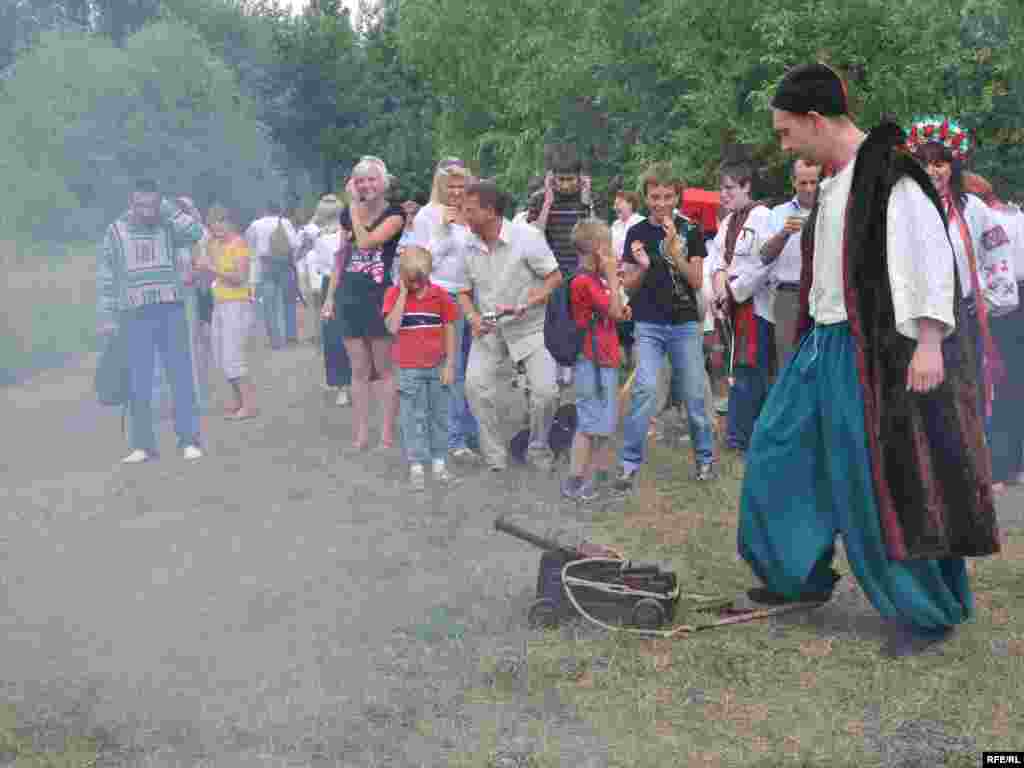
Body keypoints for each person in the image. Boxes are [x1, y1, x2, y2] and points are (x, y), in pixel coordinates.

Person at [739, 63, 999, 658]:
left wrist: (930, 341)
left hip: (875, 352)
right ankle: (793, 579)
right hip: (822, 344)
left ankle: (924, 613)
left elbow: (929, 257)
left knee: (878, 483)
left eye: (785, 132)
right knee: (777, 449)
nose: (783, 144)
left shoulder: (890, 175)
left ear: (812, 119)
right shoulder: (837, 179)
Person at [906, 116, 1018, 434]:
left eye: (940, 163)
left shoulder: (973, 209)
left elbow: (997, 253)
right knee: (923, 397)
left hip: (962, 317)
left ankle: (971, 470)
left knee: (965, 395)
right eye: (925, 163)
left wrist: (988, 299)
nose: (933, 171)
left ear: (953, 166)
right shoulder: (905, 208)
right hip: (914, 317)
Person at [614, 163, 715, 492]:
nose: (661, 203)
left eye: (667, 196)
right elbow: (628, 286)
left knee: (695, 393)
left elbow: (697, 280)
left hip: (684, 324)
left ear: (677, 196)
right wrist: (642, 267)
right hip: (649, 324)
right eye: (654, 196)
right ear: (645, 197)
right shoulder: (636, 232)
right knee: (644, 389)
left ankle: (704, 458)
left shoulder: (691, 230)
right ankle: (629, 463)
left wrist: (675, 252)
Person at [96, 178, 204, 464]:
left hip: (170, 308)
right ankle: (143, 445)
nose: (147, 211)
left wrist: (168, 209)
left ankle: (189, 440)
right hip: (133, 313)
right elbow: (106, 275)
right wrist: (107, 316)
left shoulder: (169, 224)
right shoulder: (115, 231)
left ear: (159, 203)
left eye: (152, 205)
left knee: (180, 376)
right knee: (138, 380)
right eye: (141, 205)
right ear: (131, 203)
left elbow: (196, 233)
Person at [459, 180, 563, 472]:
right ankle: (494, 456)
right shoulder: (465, 243)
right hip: (489, 329)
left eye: (470, 210)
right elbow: (463, 291)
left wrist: (532, 300)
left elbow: (554, 278)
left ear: (490, 211)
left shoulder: (527, 237)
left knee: (546, 392)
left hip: (529, 326)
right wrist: (473, 318)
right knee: (475, 386)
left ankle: (538, 449)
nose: (464, 216)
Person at [321, 156, 406, 451]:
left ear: (383, 182)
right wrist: (331, 296)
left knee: (384, 369)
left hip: (380, 298)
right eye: (360, 180)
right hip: (350, 296)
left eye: (371, 179)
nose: (366, 185)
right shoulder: (348, 214)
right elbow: (342, 256)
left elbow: (369, 242)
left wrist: (354, 209)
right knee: (357, 370)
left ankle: (386, 434)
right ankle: (360, 434)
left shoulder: (395, 214)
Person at [409, 157, 482, 462]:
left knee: (472, 369)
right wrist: (443, 231)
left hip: (471, 295)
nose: (455, 192)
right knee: (453, 367)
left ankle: (469, 432)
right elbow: (423, 264)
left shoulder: (471, 214)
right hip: (442, 296)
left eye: (460, 186)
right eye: (450, 186)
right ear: (440, 186)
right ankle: (455, 438)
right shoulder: (428, 215)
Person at [707, 161, 775, 454]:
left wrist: (734, 290)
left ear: (747, 186)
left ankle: (747, 436)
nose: (724, 194)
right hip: (730, 308)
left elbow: (764, 264)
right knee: (735, 370)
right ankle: (737, 435)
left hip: (755, 309)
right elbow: (716, 260)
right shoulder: (726, 223)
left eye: (730, 188)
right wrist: (718, 285)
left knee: (752, 372)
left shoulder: (764, 217)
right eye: (722, 188)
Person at [562, 220, 630, 500]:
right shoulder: (583, 282)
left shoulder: (592, 281)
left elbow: (618, 311)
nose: (613, 252)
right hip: (593, 360)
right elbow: (615, 312)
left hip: (603, 357)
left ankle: (597, 476)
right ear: (598, 249)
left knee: (604, 420)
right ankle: (578, 480)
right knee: (591, 421)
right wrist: (613, 279)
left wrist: (614, 297)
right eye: (610, 246)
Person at [965, 174, 1024, 493]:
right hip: (1007, 299)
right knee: (1010, 386)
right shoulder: (1015, 217)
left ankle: (1000, 467)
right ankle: (1008, 466)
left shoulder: (989, 218)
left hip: (998, 302)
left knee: (996, 383)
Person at [383, 246, 460, 490]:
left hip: (437, 367)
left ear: (427, 275)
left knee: (439, 416)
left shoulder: (441, 296)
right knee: (413, 417)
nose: (414, 284)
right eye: (409, 279)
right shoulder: (394, 294)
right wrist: (403, 294)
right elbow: (392, 327)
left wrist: (449, 364)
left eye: (418, 279)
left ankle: (439, 463)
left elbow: (449, 329)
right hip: (408, 369)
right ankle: (416, 465)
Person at [528, 144, 593, 387]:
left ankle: (574, 366)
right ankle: (554, 366)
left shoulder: (585, 200)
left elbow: (593, 233)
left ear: (580, 178)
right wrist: (547, 202)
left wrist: (586, 201)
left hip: (578, 270)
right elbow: (534, 234)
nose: (566, 185)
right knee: (554, 320)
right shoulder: (540, 199)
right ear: (551, 178)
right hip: (550, 271)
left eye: (570, 179)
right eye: (560, 179)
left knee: (577, 320)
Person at [759, 157, 822, 369]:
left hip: (825, 295)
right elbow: (764, 256)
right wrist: (784, 233)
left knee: (823, 361)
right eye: (803, 183)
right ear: (793, 182)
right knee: (789, 362)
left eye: (813, 182)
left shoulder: (831, 209)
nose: (809, 188)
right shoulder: (778, 213)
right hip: (789, 296)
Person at [204, 205, 258, 420]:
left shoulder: (239, 244)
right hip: (219, 304)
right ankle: (237, 402)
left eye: (221, 221)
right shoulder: (214, 244)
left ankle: (249, 404)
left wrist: (211, 269)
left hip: (237, 305)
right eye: (213, 223)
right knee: (220, 355)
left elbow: (240, 277)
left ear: (230, 222)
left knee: (233, 355)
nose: (217, 227)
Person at [298, 194, 352, 405]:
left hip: (336, 282)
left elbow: (298, 249)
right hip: (338, 282)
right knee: (339, 335)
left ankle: (343, 385)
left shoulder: (315, 232)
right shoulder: (328, 231)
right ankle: (344, 385)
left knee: (336, 335)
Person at [245, 201, 300, 350]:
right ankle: (291, 336)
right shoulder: (286, 222)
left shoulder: (256, 225)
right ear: (279, 210)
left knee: (269, 304)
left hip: (267, 265)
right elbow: (295, 244)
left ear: (265, 210)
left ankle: (275, 339)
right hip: (285, 265)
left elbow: (249, 244)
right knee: (289, 302)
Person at [611, 189, 645, 367]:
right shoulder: (615, 226)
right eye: (615, 203)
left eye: (619, 202)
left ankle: (637, 354)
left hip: (636, 273)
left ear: (631, 204)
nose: (615, 205)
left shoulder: (639, 223)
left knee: (635, 313)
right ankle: (626, 353)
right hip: (618, 275)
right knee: (621, 313)